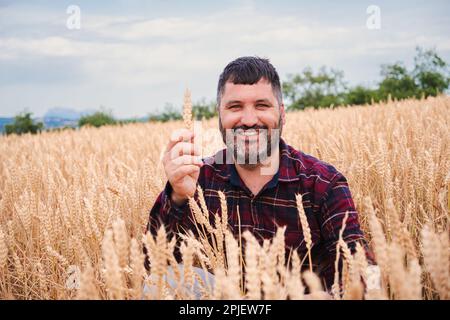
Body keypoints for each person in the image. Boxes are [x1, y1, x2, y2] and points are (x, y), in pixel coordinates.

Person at [147, 56, 375, 293]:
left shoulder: (323, 184)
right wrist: (177, 198)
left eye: (262, 105)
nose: (248, 120)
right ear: (220, 116)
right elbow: (149, 271)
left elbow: (367, 272)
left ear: (282, 114)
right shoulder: (199, 179)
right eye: (235, 107)